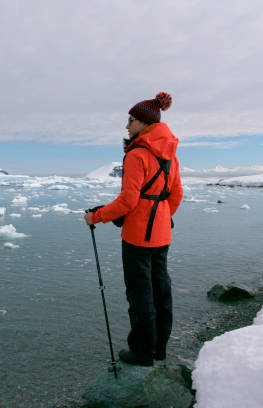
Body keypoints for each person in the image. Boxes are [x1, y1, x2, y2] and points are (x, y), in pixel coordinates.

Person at [84, 92, 183, 366]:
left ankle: (141, 351)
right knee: (161, 290)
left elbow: (128, 201)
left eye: (131, 120)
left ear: (144, 123)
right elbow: (176, 195)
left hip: (138, 237)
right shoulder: (170, 156)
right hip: (162, 234)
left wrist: (97, 217)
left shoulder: (137, 154)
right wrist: (162, 216)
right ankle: (159, 348)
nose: (127, 126)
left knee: (140, 293)